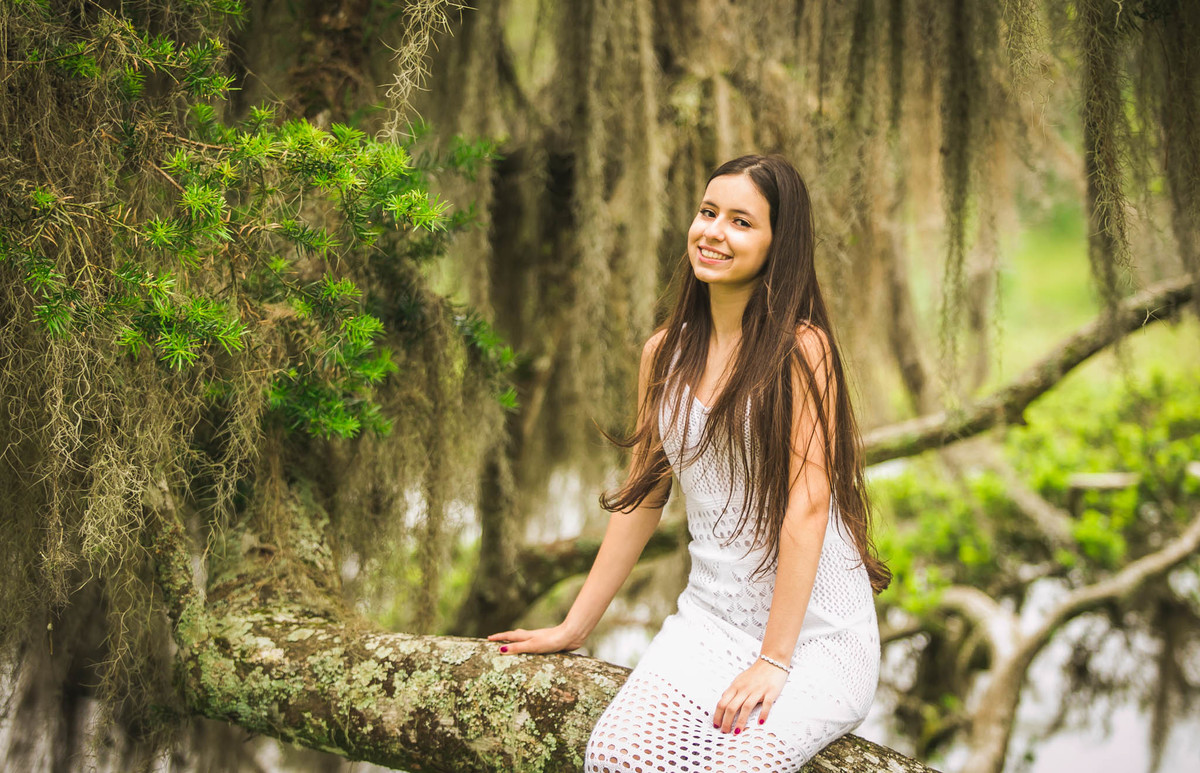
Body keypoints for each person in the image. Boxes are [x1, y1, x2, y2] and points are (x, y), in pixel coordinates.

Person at [488, 154, 890, 772]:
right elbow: (643, 496)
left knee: (735, 766)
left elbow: (808, 508)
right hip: (709, 623)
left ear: (778, 245)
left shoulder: (801, 350)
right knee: (617, 756)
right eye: (707, 213)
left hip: (816, 635)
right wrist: (574, 626)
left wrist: (773, 661)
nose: (713, 232)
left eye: (740, 222)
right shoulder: (664, 354)